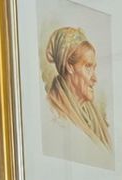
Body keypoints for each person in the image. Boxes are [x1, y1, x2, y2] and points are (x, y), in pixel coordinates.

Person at [41, 25, 112, 166]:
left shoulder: (93, 116)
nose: (95, 78)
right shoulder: (52, 115)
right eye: (88, 67)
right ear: (69, 66)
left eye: (94, 68)